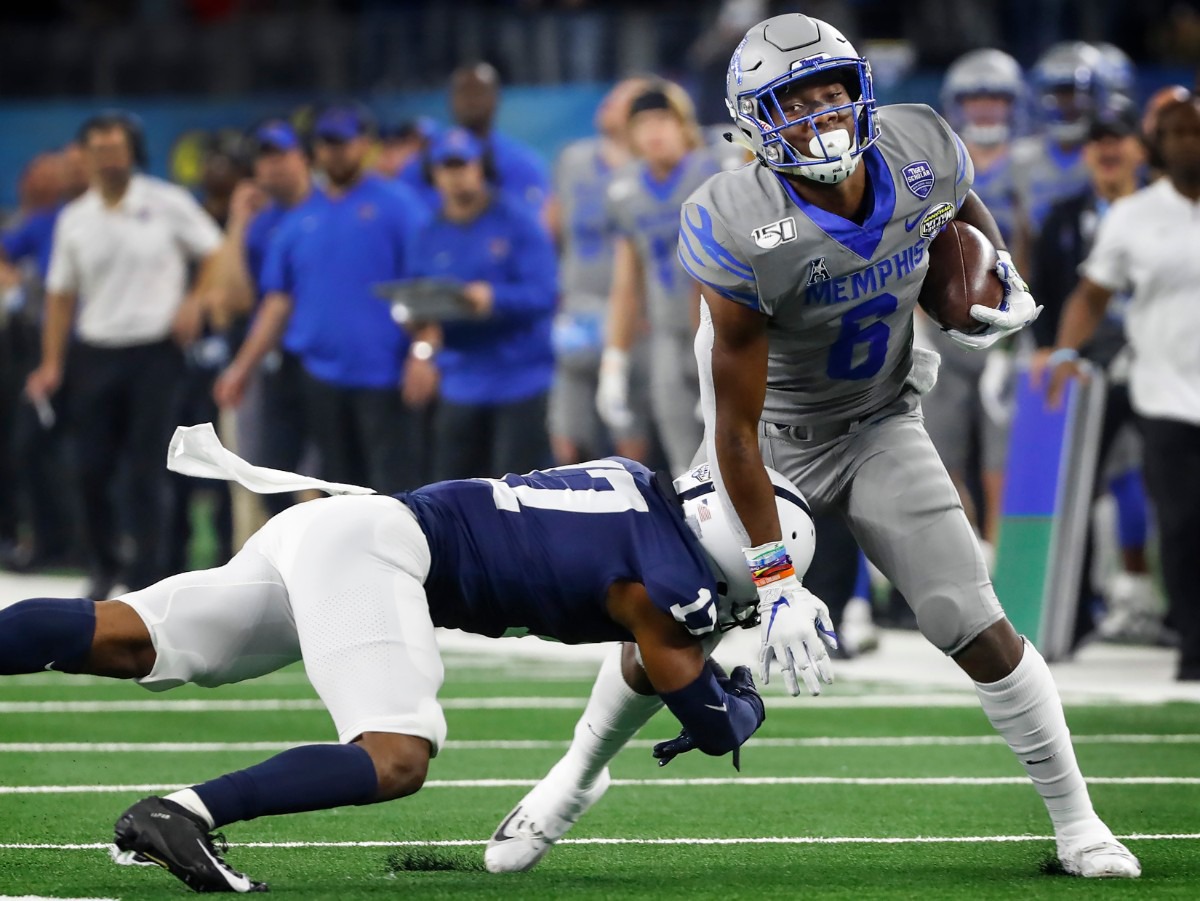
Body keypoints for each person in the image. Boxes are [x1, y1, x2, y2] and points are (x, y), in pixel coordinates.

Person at [487, 14, 1139, 880]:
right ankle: (573, 778)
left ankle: (1079, 822)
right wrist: (775, 578)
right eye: (794, 102)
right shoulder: (735, 220)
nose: (821, 115)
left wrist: (995, 266)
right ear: (753, 124)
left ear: (862, 89)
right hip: (767, 439)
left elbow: (953, 203)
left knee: (971, 621)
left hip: (878, 422)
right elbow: (733, 429)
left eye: (831, 92)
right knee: (672, 619)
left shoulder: (921, 144)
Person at [0, 423, 823, 892]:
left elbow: (652, 645)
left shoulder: (640, 486)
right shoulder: (666, 585)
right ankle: (183, 812)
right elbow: (712, 722)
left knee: (127, 633)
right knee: (396, 753)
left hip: (343, 527)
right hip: (381, 552)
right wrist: (744, 677)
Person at [26, 111, 223, 597]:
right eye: (99, 150)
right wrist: (52, 362)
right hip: (95, 351)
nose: (109, 159)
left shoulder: (166, 202)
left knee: (146, 469)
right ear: (85, 157)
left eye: (117, 149)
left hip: (155, 353)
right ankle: (105, 562)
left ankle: (148, 574)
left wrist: (195, 298)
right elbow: (60, 296)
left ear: (133, 152)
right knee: (88, 467)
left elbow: (214, 251)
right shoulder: (75, 218)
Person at [1045, 94, 1200, 683]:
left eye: (1196, 132)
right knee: (1182, 522)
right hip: (1163, 391)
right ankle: (1193, 648)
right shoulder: (1134, 216)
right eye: (1178, 133)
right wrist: (1062, 351)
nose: (1188, 143)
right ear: (1161, 144)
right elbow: (1091, 293)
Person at [214, 103, 428, 494]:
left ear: (364, 144)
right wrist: (241, 368)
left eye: (343, 143)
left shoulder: (398, 205)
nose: (335, 152)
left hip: (385, 374)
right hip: (320, 376)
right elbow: (277, 303)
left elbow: (424, 283)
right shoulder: (298, 220)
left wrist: (423, 352)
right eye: (327, 144)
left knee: (394, 492)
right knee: (339, 490)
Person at [1029, 101, 1154, 644]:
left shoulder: (1169, 210)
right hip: (1083, 369)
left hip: (1160, 366)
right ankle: (1071, 617)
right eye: (1097, 140)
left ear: (1140, 150)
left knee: (1179, 490)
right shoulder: (1063, 216)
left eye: (1118, 139)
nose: (1107, 149)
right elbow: (1046, 287)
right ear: (1085, 153)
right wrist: (1045, 348)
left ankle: (1171, 613)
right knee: (1070, 494)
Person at [404, 126, 558, 481]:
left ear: (481, 168)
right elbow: (419, 306)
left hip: (520, 379)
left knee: (520, 494)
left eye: (464, 165)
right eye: (447, 167)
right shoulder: (427, 235)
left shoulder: (518, 223)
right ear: (435, 175)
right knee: (451, 493)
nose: (456, 176)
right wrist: (421, 344)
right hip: (460, 380)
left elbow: (544, 294)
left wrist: (494, 298)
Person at [595, 81, 730, 475]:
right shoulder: (625, 189)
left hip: (728, 334)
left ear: (683, 123)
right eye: (643, 122)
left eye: (663, 119)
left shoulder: (718, 170)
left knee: (742, 455)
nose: (654, 131)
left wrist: (718, 353)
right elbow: (625, 284)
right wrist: (614, 360)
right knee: (686, 469)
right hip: (668, 340)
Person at [547, 77, 657, 466]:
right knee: (566, 434)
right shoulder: (573, 159)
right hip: (578, 308)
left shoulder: (652, 167)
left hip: (631, 318)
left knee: (630, 434)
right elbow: (553, 225)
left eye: (620, 99)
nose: (607, 103)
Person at [210, 120, 313, 517]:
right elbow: (233, 300)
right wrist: (238, 223)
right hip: (273, 360)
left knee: (327, 474)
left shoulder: (327, 206)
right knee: (266, 471)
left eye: (280, 155)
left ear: (302, 157)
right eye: (263, 158)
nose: (271, 167)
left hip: (325, 359)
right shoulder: (261, 222)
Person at [398, 64, 551, 217]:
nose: (471, 101)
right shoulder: (421, 164)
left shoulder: (522, 163)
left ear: (496, 98)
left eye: (479, 92)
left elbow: (527, 226)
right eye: (463, 92)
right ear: (450, 99)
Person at [1013, 42, 1108, 238]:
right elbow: (1021, 231)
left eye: (1075, 92)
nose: (1068, 103)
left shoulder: (1109, 155)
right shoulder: (1019, 158)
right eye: (1060, 92)